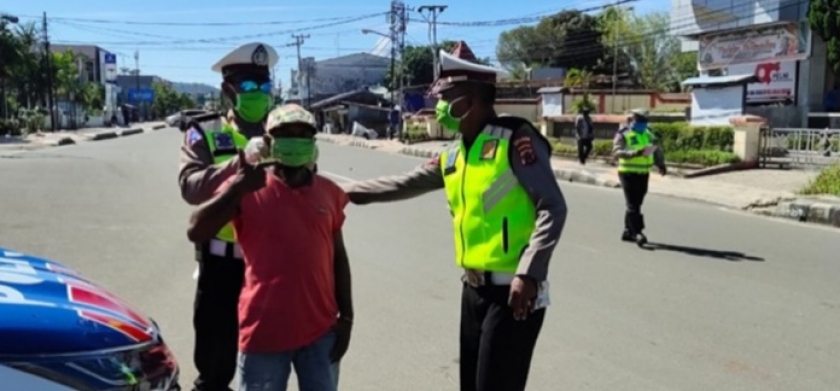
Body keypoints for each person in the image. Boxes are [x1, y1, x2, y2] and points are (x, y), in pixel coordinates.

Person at [343, 47, 568, 391]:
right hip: (473, 290)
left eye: (447, 98)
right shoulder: (455, 153)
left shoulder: (515, 139)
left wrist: (530, 272)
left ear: (471, 100)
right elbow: (404, 183)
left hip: (514, 291)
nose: (440, 107)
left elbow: (552, 206)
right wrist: (343, 191)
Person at [186, 104, 352, 391]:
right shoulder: (249, 186)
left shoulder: (328, 192)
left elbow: (338, 257)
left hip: (321, 332)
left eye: (304, 134)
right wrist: (237, 187)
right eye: (286, 133)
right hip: (263, 332)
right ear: (268, 140)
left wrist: (347, 317)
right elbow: (196, 229)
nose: (296, 139)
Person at [177, 42, 279, 391]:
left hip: (268, 266)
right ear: (228, 91)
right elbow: (191, 187)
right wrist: (240, 163)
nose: (259, 95)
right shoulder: (205, 132)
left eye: (264, 87)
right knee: (216, 366)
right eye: (249, 87)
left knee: (267, 363)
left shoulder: (283, 133)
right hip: (221, 267)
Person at [611, 108, 667, 246]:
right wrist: (634, 153)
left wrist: (661, 164)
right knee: (633, 204)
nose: (642, 123)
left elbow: (656, 150)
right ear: (632, 120)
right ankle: (638, 233)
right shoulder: (623, 134)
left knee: (637, 203)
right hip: (627, 172)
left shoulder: (648, 134)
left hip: (643, 173)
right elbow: (617, 152)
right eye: (640, 120)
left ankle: (627, 231)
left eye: (644, 121)